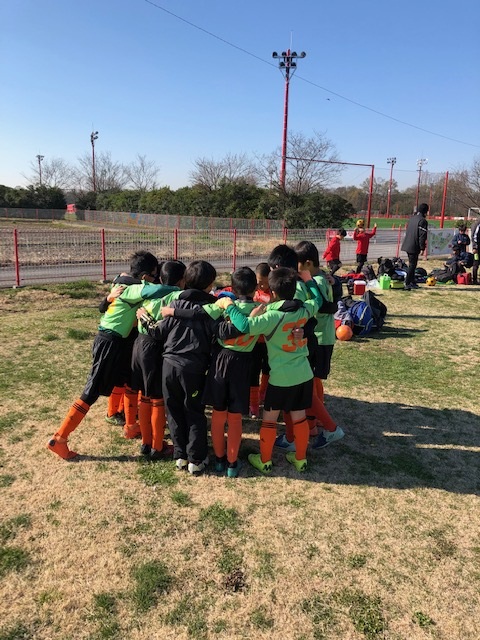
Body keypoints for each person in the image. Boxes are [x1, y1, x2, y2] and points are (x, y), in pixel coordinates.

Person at [47, 251, 178, 460]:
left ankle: (130, 426)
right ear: (144, 277)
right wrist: (183, 289)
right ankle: (59, 438)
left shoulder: (123, 282)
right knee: (91, 391)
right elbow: (161, 290)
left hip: (119, 342)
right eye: (153, 276)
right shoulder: (134, 289)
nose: (155, 280)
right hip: (109, 342)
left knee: (127, 380)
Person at [217, 267, 323, 475]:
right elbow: (318, 299)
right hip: (303, 373)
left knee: (270, 419)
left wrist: (229, 306)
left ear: (272, 292)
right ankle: (301, 459)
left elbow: (244, 326)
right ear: (295, 290)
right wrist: (310, 281)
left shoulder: (269, 315)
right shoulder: (304, 309)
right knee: (299, 417)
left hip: (280, 377)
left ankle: (265, 460)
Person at [137, 260, 222, 476]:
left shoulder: (175, 305)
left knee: (173, 411)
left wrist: (144, 318)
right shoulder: (211, 308)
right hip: (192, 369)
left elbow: (157, 332)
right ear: (210, 284)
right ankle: (196, 458)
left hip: (168, 367)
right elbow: (219, 334)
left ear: (186, 280)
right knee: (193, 412)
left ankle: (180, 455)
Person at [204, 267, 260, 478]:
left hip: (220, 361)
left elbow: (208, 318)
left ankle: (219, 459)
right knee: (235, 417)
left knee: (218, 414)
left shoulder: (226, 306)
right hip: (244, 365)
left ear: (232, 289)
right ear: (255, 289)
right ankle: (231, 463)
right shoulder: (261, 309)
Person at [131, 260, 186, 461]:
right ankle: (157, 446)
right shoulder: (175, 296)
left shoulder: (149, 291)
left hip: (139, 344)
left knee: (144, 395)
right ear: (182, 280)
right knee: (157, 399)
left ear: (160, 278)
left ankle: (146, 443)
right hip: (155, 347)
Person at [249, 262, 272, 417]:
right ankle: (254, 404)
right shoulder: (253, 294)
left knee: (268, 369)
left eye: (265, 282)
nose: (262, 285)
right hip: (254, 342)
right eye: (259, 282)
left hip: (269, 341)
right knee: (253, 373)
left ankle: (263, 393)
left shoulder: (274, 295)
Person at [401, 203, 429, 290]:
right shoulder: (423, 221)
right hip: (414, 245)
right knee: (412, 265)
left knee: (412, 264)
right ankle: (408, 282)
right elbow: (422, 236)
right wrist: (422, 248)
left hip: (407, 244)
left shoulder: (412, 219)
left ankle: (412, 281)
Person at [471, 217, 480, 285]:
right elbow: (474, 236)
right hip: (477, 248)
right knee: (476, 264)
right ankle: (474, 280)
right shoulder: (478, 223)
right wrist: (475, 247)